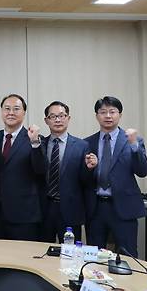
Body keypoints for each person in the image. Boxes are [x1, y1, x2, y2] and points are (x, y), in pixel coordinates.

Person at [84, 96, 147, 256]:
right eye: (103, 112)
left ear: (120, 114)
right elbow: (83, 178)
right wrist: (89, 169)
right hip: (96, 208)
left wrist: (134, 146)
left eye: (112, 112)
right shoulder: (87, 143)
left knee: (128, 255)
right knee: (94, 255)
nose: (108, 116)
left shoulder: (133, 141)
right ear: (96, 115)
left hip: (123, 207)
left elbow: (142, 171)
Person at [0, 94, 45, 241]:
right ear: (1, 112)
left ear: (24, 112)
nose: (11, 112)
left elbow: (40, 169)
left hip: (23, 216)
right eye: (7, 108)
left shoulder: (34, 139)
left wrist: (35, 144)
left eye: (16, 109)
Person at [38, 101, 90, 243]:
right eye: (53, 116)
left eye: (62, 115)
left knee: (70, 254)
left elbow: (86, 181)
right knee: (40, 252)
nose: (58, 120)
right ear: (46, 120)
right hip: (44, 208)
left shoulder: (82, 146)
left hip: (70, 209)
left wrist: (90, 168)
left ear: (68, 118)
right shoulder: (40, 144)